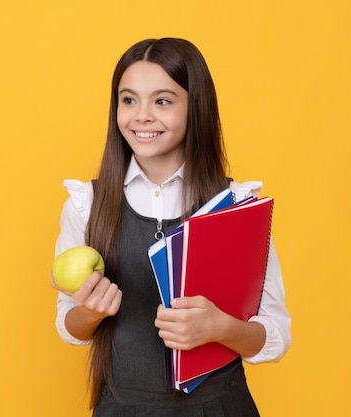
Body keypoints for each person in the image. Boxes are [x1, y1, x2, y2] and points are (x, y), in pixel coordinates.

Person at [51, 38, 291, 417]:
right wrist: (92, 311)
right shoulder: (87, 204)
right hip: (123, 408)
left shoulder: (236, 205)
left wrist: (220, 328)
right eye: (128, 100)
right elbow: (71, 325)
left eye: (162, 101)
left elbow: (274, 335)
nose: (142, 115)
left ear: (195, 109)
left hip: (220, 408)